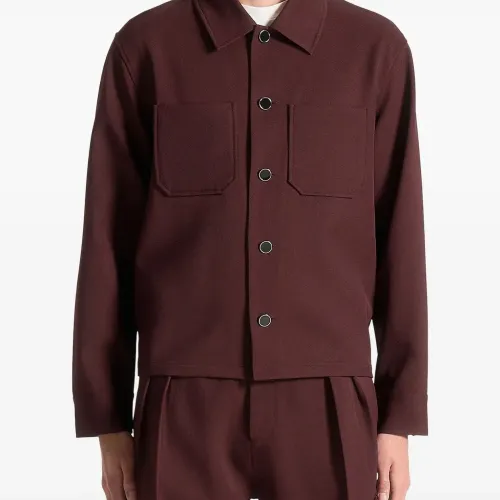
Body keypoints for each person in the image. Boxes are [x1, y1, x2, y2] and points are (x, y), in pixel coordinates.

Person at [72, 0, 428, 499]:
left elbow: (401, 239)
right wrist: (107, 419)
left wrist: (398, 416)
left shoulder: (374, 49)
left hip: (330, 402)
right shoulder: (146, 46)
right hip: (183, 401)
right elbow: (108, 240)